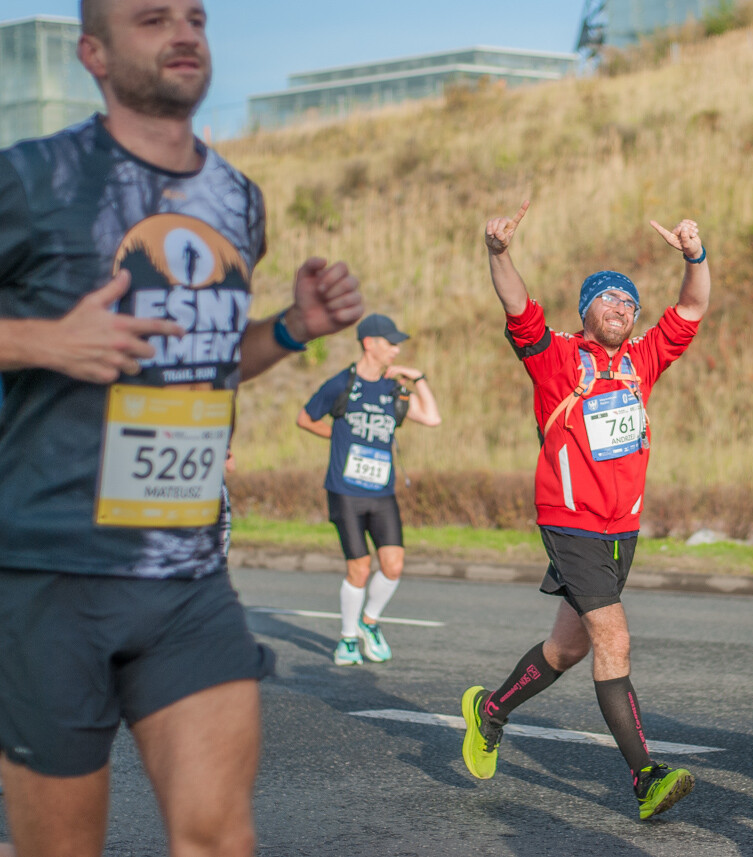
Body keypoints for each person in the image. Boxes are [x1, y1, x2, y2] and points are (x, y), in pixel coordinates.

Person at [0, 1, 364, 855]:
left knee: (218, 837)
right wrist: (43, 340)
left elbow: (200, 358)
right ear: (94, 52)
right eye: (152, 18)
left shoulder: (236, 198)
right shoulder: (34, 178)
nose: (185, 33)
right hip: (51, 577)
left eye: (196, 16)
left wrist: (290, 328)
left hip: (185, 574)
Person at [460, 200, 710, 820]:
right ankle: (645, 776)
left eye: (630, 303)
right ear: (587, 310)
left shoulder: (641, 361)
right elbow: (518, 306)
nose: (623, 309)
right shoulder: (556, 359)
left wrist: (695, 256)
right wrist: (499, 252)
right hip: (569, 522)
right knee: (614, 639)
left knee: (568, 649)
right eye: (610, 300)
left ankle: (490, 709)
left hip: (621, 529)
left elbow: (694, 306)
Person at [297, 312, 441, 666]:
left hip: (382, 493)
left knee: (393, 565)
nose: (396, 349)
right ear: (369, 343)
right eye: (390, 343)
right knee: (359, 568)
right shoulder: (341, 384)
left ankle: (369, 622)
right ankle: (347, 639)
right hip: (345, 491)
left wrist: (418, 379)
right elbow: (305, 418)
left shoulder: (393, 388)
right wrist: (338, 437)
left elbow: (432, 418)